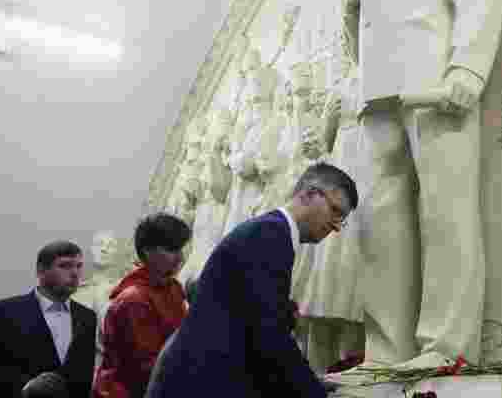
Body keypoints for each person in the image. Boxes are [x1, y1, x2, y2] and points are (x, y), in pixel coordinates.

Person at [342, 0, 502, 369]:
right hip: (379, 91)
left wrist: (468, 65)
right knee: (379, 224)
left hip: (434, 84)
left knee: (446, 212)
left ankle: (445, 347)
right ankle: (386, 349)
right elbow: (359, 28)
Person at [147, 162, 357, 398]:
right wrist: (312, 390)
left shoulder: (271, 231)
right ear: (309, 194)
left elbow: (253, 320)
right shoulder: (271, 235)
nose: (337, 226)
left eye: (343, 218)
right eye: (336, 211)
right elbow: (268, 335)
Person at [91, 214, 190, 398]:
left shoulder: (173, 288)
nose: (180, 258)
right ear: (147, 251)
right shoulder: (133, 300)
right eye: (171, 249)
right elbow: (146, 367)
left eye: (180, 249)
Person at [0, 241, 98, 398]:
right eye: (65, 266)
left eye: (79, 266)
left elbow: (83, 377)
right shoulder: (0, 312)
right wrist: (25, 387)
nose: (75, 273)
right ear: (41, 270)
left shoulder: (87, 317)